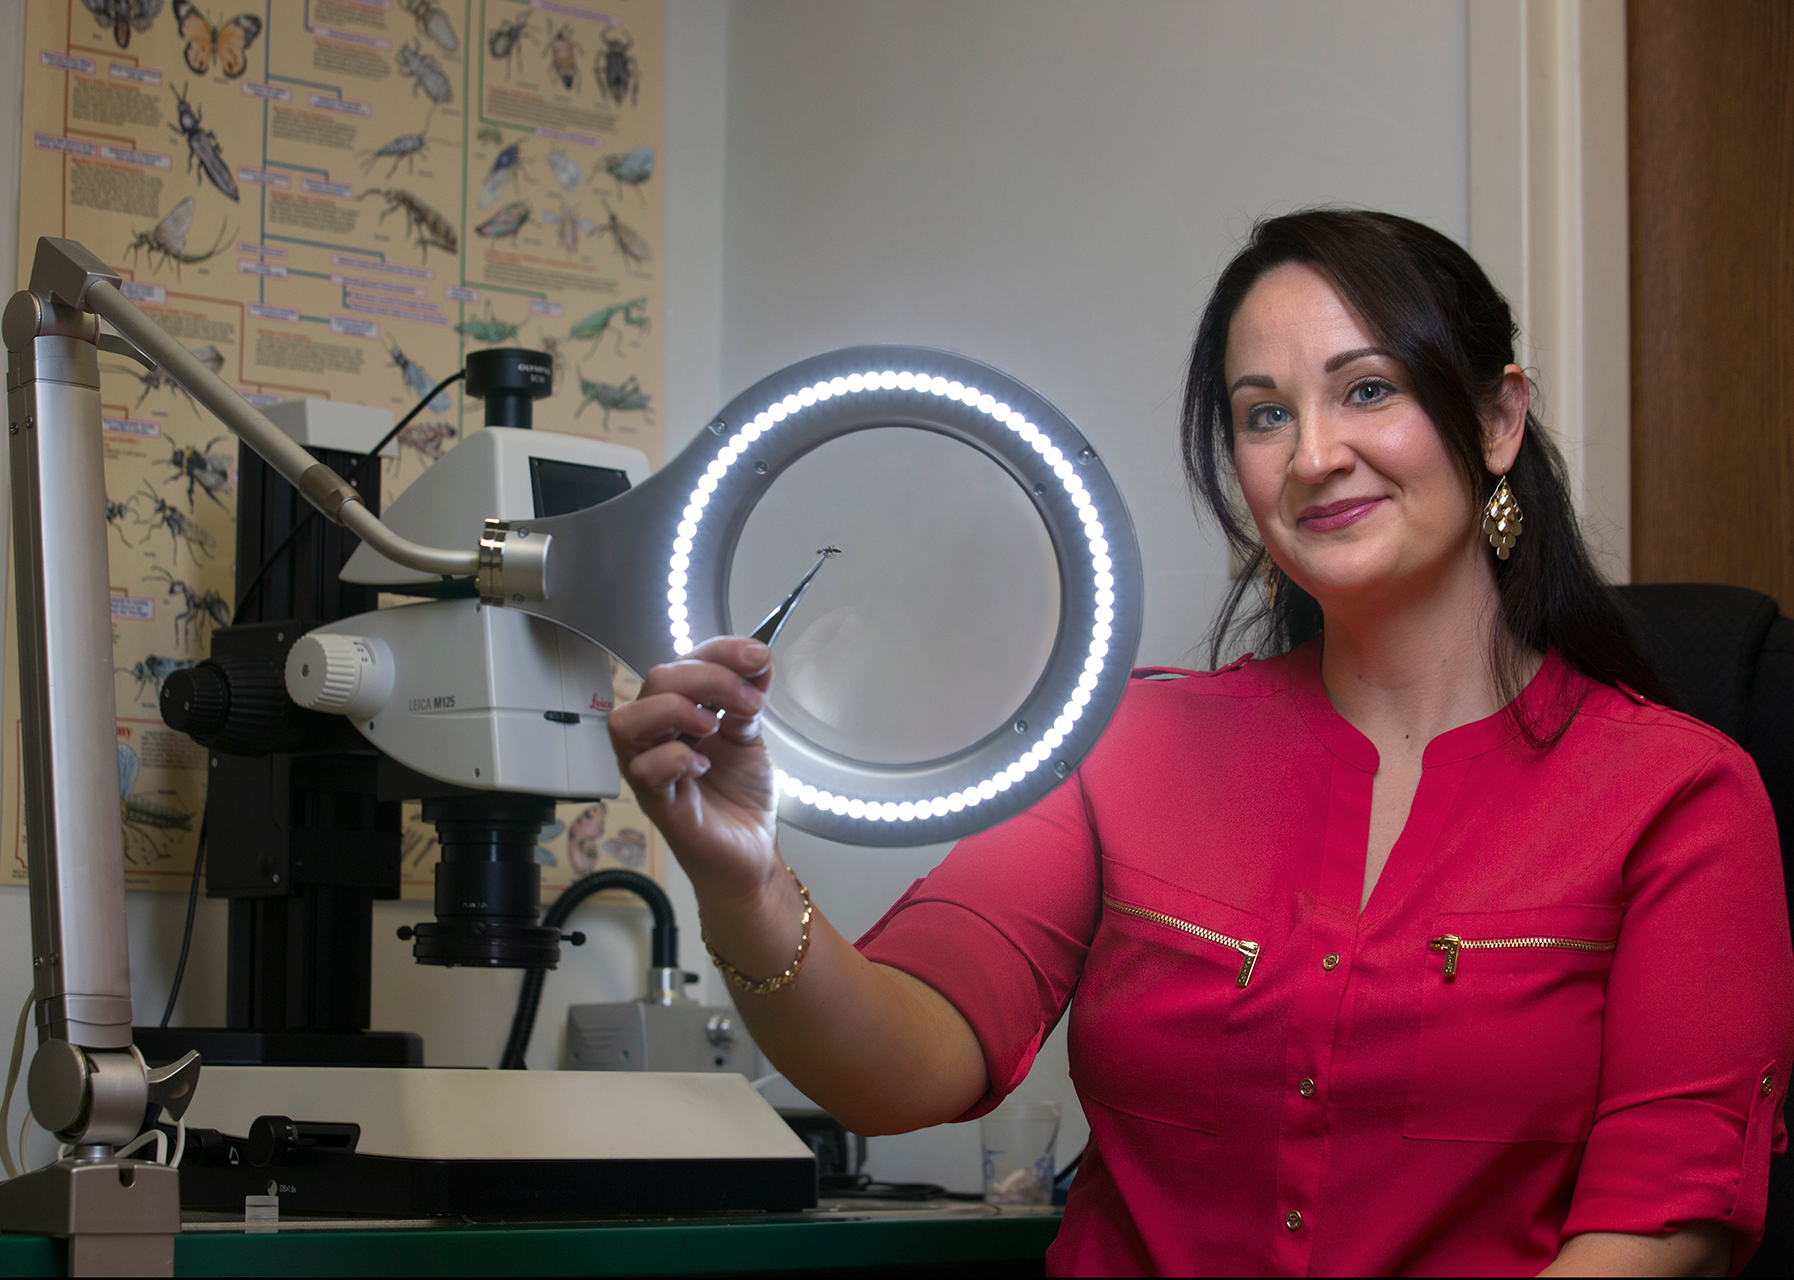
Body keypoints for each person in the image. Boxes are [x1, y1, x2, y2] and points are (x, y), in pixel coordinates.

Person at [606, 209, 1793, 1276]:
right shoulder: (1125, 742)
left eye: (1367, 389)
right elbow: (905, 1064)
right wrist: (743, 876)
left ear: (1495, 418)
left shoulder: (1677, 794)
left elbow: (1662, 1229)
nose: (1314, 453)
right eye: (1264, 414)